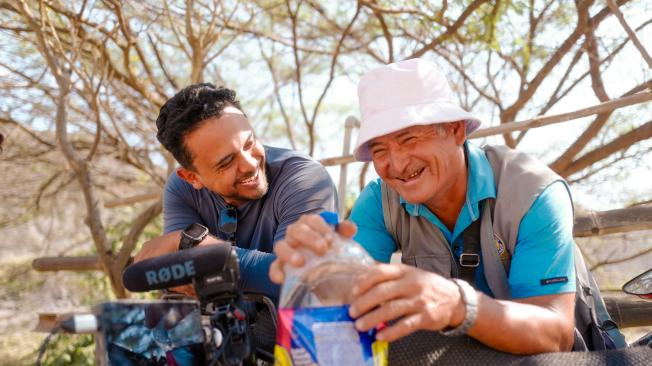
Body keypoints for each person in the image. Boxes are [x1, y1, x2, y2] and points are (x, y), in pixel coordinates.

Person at [270, 59, 580, 354]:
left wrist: (458, 305)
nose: (398, 163)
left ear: (456, 129)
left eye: (409, 139)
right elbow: (348, 294)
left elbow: (556, 337)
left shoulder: (532, 192)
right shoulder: (379, 200)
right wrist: (315, 270)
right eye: (380, 149)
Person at [134, 83, 337, 303]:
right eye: (227, 162)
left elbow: (301, 281)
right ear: (192, 177)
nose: (250, 164)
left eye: (250, 143)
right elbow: (181, 278)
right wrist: (201, 256)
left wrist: (190, 244)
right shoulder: (181, 190)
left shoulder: (305, 178)